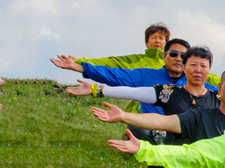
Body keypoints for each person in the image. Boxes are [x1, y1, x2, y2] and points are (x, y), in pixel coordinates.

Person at [90, 67, 225, 145]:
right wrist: (99, 91)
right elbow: (163, 121)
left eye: (203, 67)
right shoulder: (198, 114)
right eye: (193, 65)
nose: (198, 71)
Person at [54, 39, 192, 115]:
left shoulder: (194, 82)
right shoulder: (145, 75)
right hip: (150, 130)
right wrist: (79, 67)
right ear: (164, 56)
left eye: (183, 56)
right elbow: (115, 75)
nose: (178, 59)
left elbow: (211, 89)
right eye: (173, 54)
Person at [74, 22, 170, 71]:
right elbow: (110, 62)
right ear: (147, 43)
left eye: (161, 38)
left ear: (166, 43)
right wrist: (79, 61)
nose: (157, 40)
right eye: (154, 37)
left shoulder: (171, 63)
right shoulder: (136, 60)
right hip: (138, 107)